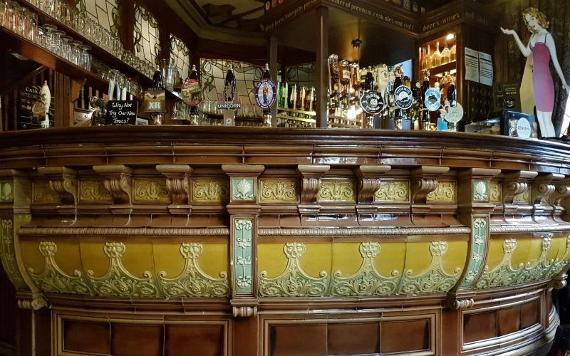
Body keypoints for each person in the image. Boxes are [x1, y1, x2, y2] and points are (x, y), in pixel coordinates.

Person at [501, 7, 570, 138]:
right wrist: (514, 33)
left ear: (538, 17)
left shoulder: (547, 36)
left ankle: (552, 150)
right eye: (528, 21)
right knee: (540, 118)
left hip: (545, 82)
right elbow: (525, 53)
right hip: (536, 83)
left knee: (547, 119)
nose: (531, 23)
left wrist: (564, 83)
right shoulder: (533, 36)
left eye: (532, 18)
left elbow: (555, 61)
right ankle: (546, 151)